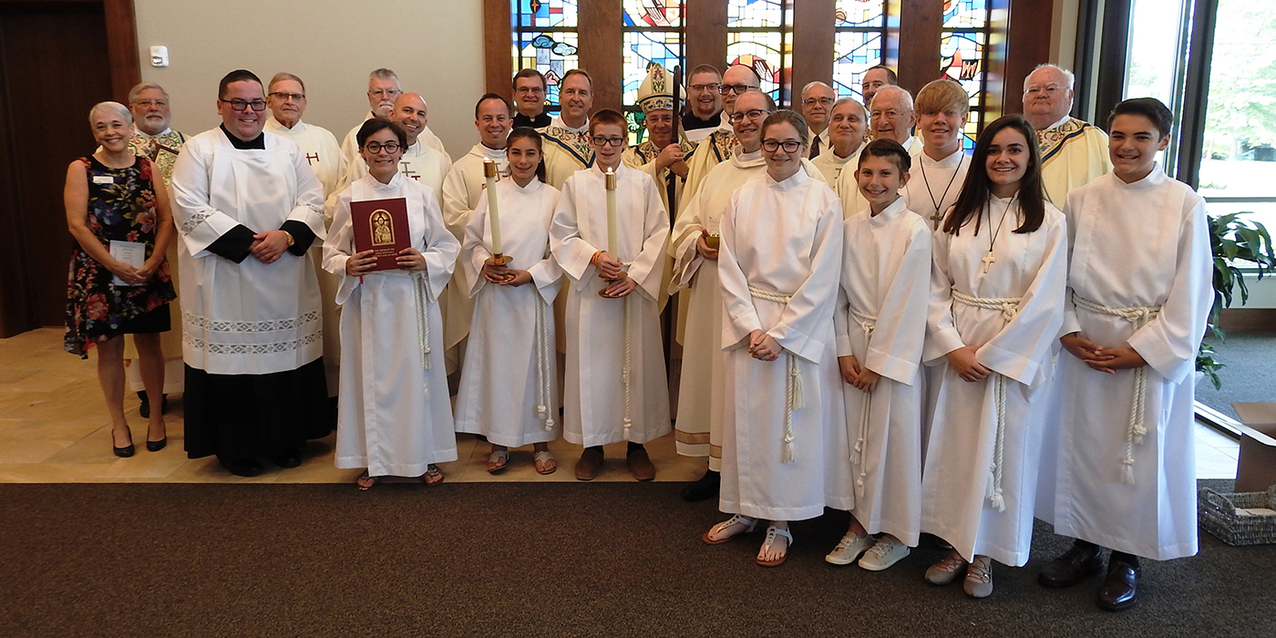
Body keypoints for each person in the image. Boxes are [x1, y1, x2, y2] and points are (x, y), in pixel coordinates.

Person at [1035, 98, 1211, 611]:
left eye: (1140, 137)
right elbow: (1058, 275)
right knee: (1084, 447)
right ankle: (1085, 545)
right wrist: (1067, 330)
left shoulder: (1183, 202)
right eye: (1118, 136)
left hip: (1144, 348)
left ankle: (1125, 559)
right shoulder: (1083, 198)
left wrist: (1145, 351)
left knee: (1133, 456)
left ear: (1163, 142)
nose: (1127, 147)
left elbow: (1193, 290)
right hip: (1087, 344)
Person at [920, 114, 1067, 598]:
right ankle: (957, 544)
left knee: (1003, 453)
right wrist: (953, 347)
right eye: (994, 150)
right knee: (959, 451)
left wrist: (997, 355)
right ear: (982, 156)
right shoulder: (957, 216)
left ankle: (987, 555)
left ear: (1031, 157)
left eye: (1015, 150)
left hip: (1011, 353)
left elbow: (1047, 300)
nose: (1003, 159)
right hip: (960, 347)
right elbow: (934, 286)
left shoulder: (1050, 221)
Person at [170, 69, 334, 477]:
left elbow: (313, 200)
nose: (249, 111)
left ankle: (287, 440)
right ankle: (236, 447)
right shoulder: (199, 150)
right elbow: (188, 207)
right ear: (220, 105)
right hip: (225, 277)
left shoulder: (286, 150)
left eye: (256, 103)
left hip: (283, 275)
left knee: (286, 359)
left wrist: (285, 235)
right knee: (235, 367)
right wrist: (248, 242)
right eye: (238, 102)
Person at [704, 110, 847, 567]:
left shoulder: (823, 200)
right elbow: (729, 268)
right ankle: (745, 509)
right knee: (746, 423)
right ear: (760, 146)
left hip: (797, 330)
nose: (781, 152)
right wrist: (750, 326)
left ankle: (781, 521)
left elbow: (825, 278)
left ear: (807, 146)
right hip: (751, 327)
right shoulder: (742, 196)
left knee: (788, 429)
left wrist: (782, 335)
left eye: (790, 144)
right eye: (772, 144)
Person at [323, 118, 459, 489]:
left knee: (419, 380)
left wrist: (426, 260)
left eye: (390, 146)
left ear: (402, 150)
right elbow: (330, 252)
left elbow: (447, 246)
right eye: (374, 146)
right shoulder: (350, 197)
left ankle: (425, 455)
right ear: (362, 151)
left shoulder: (422, 195)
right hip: (367, 300)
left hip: (411, 298)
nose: (383, 153)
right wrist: (347, 263)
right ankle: (373, 459)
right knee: (371, 381)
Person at [550, 109, 671, 482]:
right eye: (599, 139)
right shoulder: (575, 184)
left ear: (625, 141)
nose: (607, 146)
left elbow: (659, 232)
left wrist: (634, 275)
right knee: (593, 370)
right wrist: (596, 258)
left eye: (614, 140)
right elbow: (562, 234)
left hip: (632, 290)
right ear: (590, 140)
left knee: (636, 368)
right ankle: (592, 445)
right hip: (592, 292)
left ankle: (637, 445)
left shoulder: (643, 183)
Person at [825, 139, 930, 571]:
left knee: (895, 440)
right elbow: (836, 295)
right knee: (856, 440)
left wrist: (879, 363)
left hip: (893, 353)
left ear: (904, 179)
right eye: (868, 173)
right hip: (855, 345)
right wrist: (845, 351)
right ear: (856, 177)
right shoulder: (848, 227)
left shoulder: (915, 230)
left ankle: (897, 532)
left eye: (886, 174)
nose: (875, 181)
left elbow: (910, 302)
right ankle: (858, 523)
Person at [64, 101, 176, 456]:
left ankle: (156, 417)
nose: (110, 131)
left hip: (145, 270)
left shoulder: (147, 167)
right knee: (109, 350)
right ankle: (118, 424)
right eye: (101, 126)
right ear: (94, 132)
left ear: (131, 128)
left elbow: (165, 218)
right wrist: (113, 264)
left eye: (116, 124)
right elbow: (76, 225)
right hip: (100, 273)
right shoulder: (81, 168)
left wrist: (155, 259)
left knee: (149, 345)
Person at [455, 128, 563, 475]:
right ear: (507, 156)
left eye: (530, 153)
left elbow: (560, 250)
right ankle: (498, 442)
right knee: (498, 369)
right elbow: (472, 241)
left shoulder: (553, 197)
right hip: (497, 297)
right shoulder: (492, 194)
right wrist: (485, 262)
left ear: (540, 157)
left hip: (531, 294)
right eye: (516, 153)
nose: (523, 160)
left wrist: (532, 275)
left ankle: (540, 443)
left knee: (536, 369)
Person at [264, 72, 347, 397]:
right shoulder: (259, 138)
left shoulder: (323, 138)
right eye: (281, 95)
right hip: (275, 249)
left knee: (324, 321)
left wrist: (311, 218)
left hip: (319, 242)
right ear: (268, 100)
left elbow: (342, 186)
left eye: (296, 96)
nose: (289, 102)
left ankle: (328, 393)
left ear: (305, 101)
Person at [122, 82, 187, 417]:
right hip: (139, 249)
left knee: (182, 317)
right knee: (146, 321)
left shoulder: (188, 145)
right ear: (132, 109)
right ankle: (149, 391)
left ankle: (186, 383)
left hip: (182, 247)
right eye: (144, 102)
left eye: (160, 102)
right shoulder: (121, 146)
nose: (153, 108)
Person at [440, 94, 514, 377]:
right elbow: (453, 216)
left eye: (500, 118)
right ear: (477, 123)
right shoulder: (462, 167)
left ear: (510, 121)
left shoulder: (522, 159)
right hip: (480, 265)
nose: (494, 124)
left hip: (519, 263)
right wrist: (496, 228)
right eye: (487, 118)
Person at [1022, 64, 1111, 208]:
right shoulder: (1010, 137)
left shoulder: (1095, 140)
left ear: (1070, 95)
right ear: (1023, 97)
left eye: (1051, 88)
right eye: (1033, 90)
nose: (1041, 94)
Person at [338, 93, 452, 204]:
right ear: (391, 114)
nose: (414, 118)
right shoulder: (368, 160)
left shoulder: (440, 161)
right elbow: (350, 201)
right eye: (407, 110)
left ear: (425, 122)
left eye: (421, 114)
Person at [336, 69, 445, 177]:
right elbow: (348, 177)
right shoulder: (354, 136)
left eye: (391, 92)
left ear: (400, 95)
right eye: (378, 92)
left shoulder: (427, 136)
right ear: (369, 97)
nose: (385, 97)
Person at [681, 64, 761, 202]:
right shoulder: (708, 146)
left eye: (739, 87)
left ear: (758, 91)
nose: (731, 94)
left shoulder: (777, 140)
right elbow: (692, 209)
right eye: (726, 88)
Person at [904, 79, 972, 230]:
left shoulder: (977, 172)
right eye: (931, 113)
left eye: (949, 113)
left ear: (963, 119)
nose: (940, 120)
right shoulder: (903, 171)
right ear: (918, 120)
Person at [541, 69, 595, 188]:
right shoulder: (540, 140)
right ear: (560, 97)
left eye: (582, 93)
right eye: (570, 92)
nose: (576, 98)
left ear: (591, 100)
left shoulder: (604, 140)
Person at [812, 98, 867, 187]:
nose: (844, 124)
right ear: (829, 127)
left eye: (852, 119)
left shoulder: (875, 162)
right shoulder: (814, 167)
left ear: (866, 129)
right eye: (838, 118)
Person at [867, 86, 921, 156]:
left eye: (891, 113)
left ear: (911, 119)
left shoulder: (925, 162)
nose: (882, 122)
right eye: (876, 114)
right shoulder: (854, 164)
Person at [682, 64, 723, 143]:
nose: (705, 93)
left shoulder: (733, 126)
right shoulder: (679, 130)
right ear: (688, 92)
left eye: (712, 86)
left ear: (721, 90)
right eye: (698, 87)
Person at [800, 81, 837, 159]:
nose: (817, 106)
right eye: (811, 102)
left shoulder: (841, 139)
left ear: (834, 106)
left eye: (824, 101)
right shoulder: (796, 139)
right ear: (803, 108)